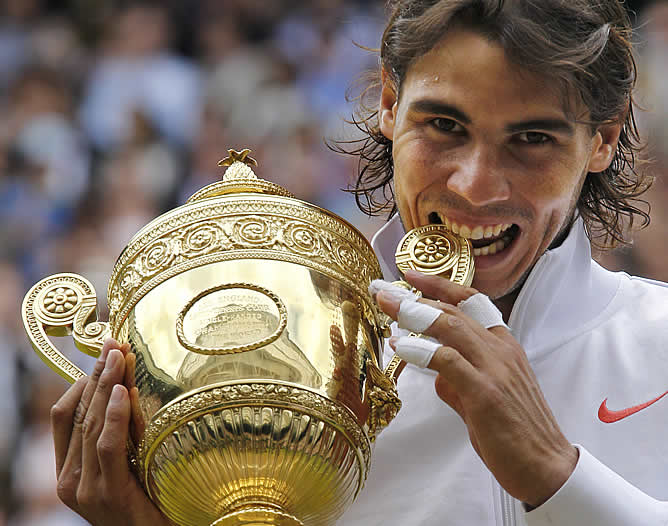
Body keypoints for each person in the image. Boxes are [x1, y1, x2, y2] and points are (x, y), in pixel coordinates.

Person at [49, 1, 668, 525]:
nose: (477, 187)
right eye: (445, 126)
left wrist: (555, 475)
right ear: (391, 104)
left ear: (604, 140)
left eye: (533, 138)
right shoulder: (283, 377)